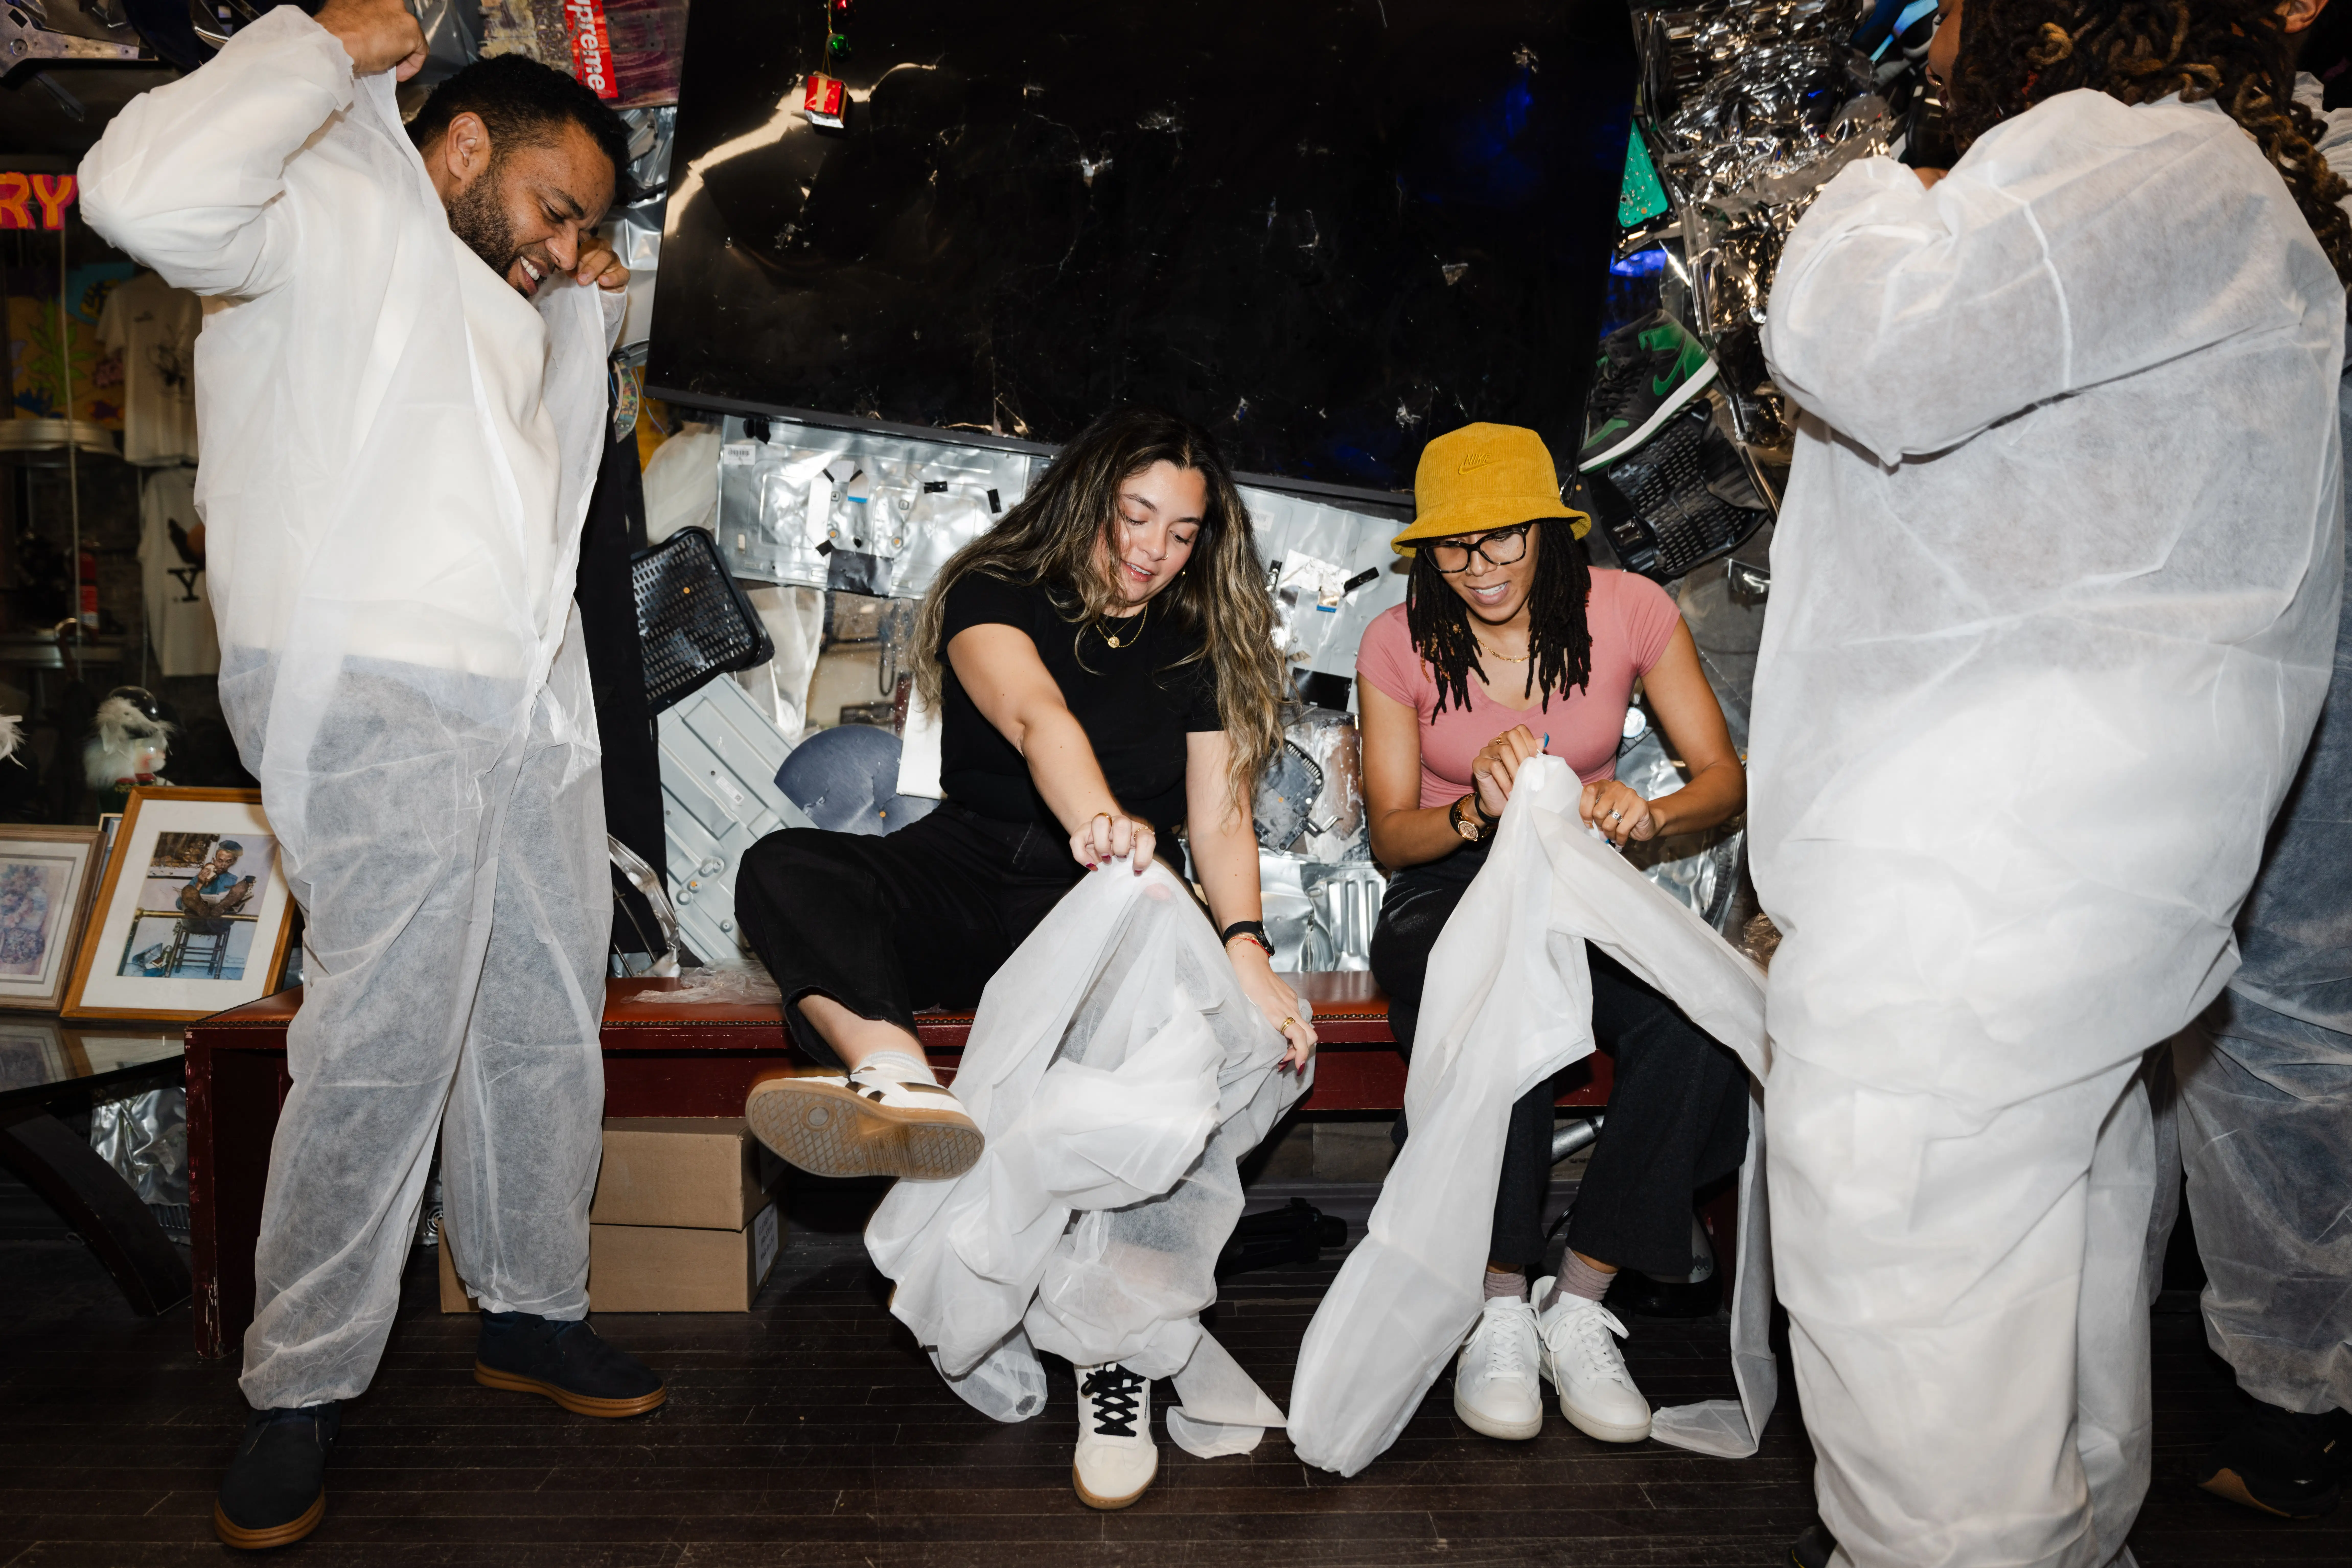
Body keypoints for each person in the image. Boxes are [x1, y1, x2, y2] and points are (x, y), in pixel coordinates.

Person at [1749, 0, 2352, 1563]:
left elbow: (1876, 350)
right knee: (2039, 1284)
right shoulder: (2194, 202)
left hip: (1989, 867)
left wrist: (1859, 185)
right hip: (2057, 863)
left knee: (1911, 1281)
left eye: (1958, 8)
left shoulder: (2145, 162)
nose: (1935, 35)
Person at [81, 0, 665, 1550]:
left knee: (542, 1007)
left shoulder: (511, 293)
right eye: (555, 208)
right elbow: (134, 191)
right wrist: (316, 42)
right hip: (367, 688)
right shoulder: (320, 203)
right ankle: (299, 1384)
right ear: (463, 145)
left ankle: (529, 1305)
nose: (564, 245)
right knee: (382, 1034)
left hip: (525, 692)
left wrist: (586, 312)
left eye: (586, 229)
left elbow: (527, 481)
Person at [732, 406, 1312, 1505]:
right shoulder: (993, 588)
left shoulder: (1197, 637)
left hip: (1103, 902)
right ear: (1089, 498)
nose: (1154, 548)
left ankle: (1115, 1361)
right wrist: (1098, 818)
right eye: (1135, 514)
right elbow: (1040, 717)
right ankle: (898, 1081)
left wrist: (1244, 947)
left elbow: (1221, 816)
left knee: (1141, 1072)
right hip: (970, 870)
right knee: (787, 867)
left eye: (1183, 531)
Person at [1355, 422, 1750, 1446]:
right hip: (1449, 883)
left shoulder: (1630, 608)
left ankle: (1576, 1300)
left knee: (1697, 1021)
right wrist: (1471, 811)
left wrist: (1648, 812)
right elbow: (1392, 833)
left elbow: (1722, 779)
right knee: (1506, 996)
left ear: (1549, 530)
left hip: (1580, 876)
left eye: (1503, 537)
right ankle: (1496, 1303)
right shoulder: (1397, 638)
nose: (1478, 565)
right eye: (1454, 544)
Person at [2172, 0, 2352, 1522]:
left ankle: (2295, 1408)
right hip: (2255, 660)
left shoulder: (2233, 208)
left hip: (2285, 663)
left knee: (2285, 1001)